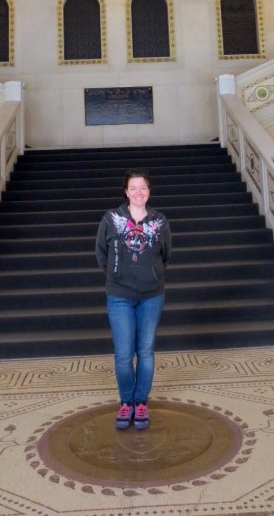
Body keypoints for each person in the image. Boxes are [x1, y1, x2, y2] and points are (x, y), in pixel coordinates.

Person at [95, 168, 171, 430]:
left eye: (144, 188)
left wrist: (152, 274)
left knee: (146, 352)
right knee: (124, 355)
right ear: (126, 191)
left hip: (152, 295)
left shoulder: (159, 221)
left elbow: (166, 254)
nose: (139, 193)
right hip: (120, 296)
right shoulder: (111, 218)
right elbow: (101, 253)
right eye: (134, 188)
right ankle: (126, 401)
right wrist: (117, 274)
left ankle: (141, 402)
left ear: (149, 191)